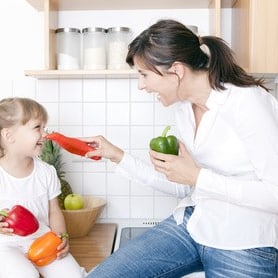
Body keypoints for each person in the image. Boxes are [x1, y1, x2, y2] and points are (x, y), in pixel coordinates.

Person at [82, 19, 278, 278]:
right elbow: (184, 186)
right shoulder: (184, 110)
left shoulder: (247, 103)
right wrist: (117, 156)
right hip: (193, 225)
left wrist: (198, 177)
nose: (141, 85)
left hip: (245, 243)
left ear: (176, 70)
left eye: (144, 74)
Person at [0, 97, 86, 278]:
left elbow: (54, 211)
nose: (45, 133)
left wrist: (62, 237)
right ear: (9, 136)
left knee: (73, 276)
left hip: (42, 239)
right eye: (37, 127)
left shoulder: (46, 172)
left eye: (44, 127)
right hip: (5, 244)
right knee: (25, 275)